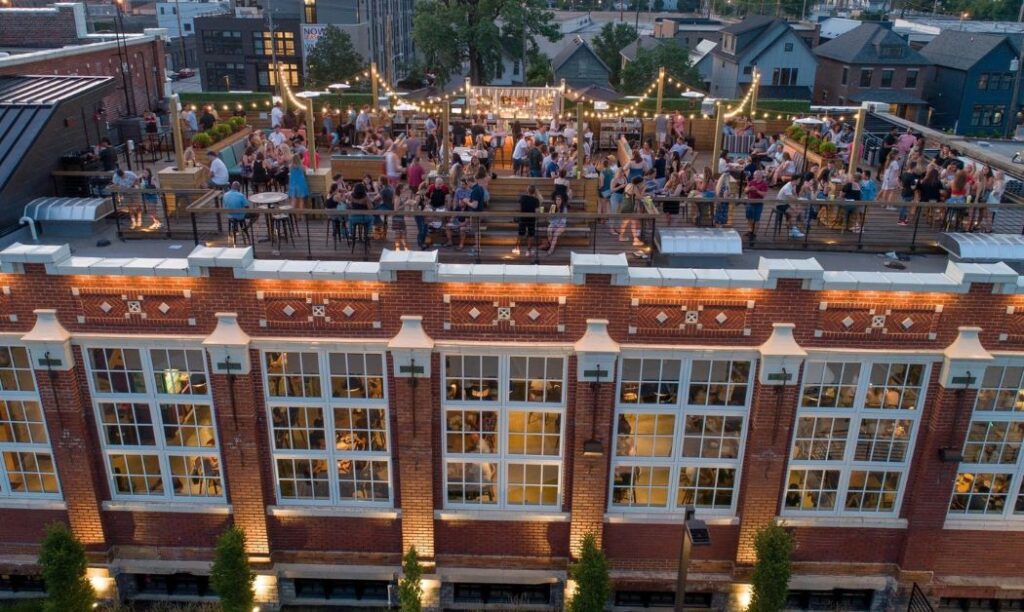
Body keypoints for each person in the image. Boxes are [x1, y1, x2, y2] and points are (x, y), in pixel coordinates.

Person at [618, 176, 645, 247]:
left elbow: (631, 195)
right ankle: (634, 240)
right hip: (629, 207)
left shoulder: (629, 185)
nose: (643, 183)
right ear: (639, 182)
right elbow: (639, 197)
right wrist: (644, 190)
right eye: (642, 182)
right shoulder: (634, 187)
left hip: (625, 205)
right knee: (632, 223)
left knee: (627, 223)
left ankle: (624, 237)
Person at [515, 184, 540, 257]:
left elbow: (519, 204)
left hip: (522, 218)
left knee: (520, 233)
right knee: (531, 235)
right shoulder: (536, 200)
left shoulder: (523, 197)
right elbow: (537, 211)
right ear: (534, 192)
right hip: (531, 219)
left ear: (527, 190)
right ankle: (528, 251)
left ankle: (516, 248)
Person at [744, 170, 768, 238]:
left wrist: (756, 190)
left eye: (756, 175)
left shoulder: (764, 184)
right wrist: (748, 189)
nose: (755, 176)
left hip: (758, 203)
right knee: (749, 218)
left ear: (761, 175)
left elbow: (764, 194)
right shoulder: (751, 182)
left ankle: (754, 234)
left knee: (756, 219)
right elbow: (745, 190)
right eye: (754, 175)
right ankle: (750, 231)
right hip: (750, 202)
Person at [544, 192, 569, 256]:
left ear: (561, 200)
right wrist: (550, 215)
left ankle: (551, 249)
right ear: (555, 200)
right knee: (549, 230)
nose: (558, 201)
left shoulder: (564, 208)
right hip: (554, 223)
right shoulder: (553, 207)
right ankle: (551, 244)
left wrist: (557, 225)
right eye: (557, 199)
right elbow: (550, 219)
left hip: (562, 225)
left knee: (555, 234)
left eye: (559, 200)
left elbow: (564, 220)